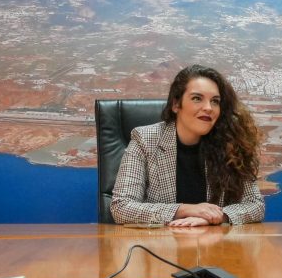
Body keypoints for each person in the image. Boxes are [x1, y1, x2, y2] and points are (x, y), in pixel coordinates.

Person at [111, 65, 265, 226]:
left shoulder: (230, 142)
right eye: (197, 98)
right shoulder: (145, 139)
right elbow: (121, 208)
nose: (208, 108)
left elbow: (255, 204)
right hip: (160, 245)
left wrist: (220, 216)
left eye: (215, 101)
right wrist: (184, 210)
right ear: (176, 104)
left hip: (214, 244)